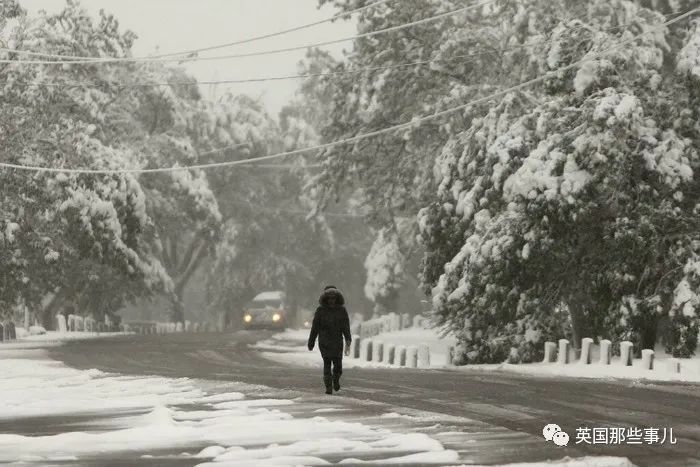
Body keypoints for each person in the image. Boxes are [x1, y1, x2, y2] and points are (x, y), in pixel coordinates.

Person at [307, 285, 352, 394]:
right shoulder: (320, 311)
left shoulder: (342, 310)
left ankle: (335, 379)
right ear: (325, 298)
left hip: (337, 342)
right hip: (325, 342)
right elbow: (315, 327)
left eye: (334, 298)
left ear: (337, 298)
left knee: (338, 366)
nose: (332, 300)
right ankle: (328, 386)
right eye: (329, 298)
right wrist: (311, 341)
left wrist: (348, 339)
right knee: (327, 364)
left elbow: (345, 326)